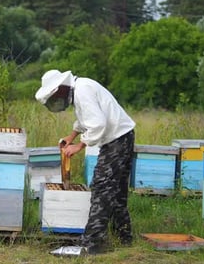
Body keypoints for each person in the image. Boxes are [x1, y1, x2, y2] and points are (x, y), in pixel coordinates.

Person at [35, 69, 136, 255]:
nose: (56, 100)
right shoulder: (80, 88)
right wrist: (72, 136)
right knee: (117, 192)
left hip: (117, 140)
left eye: (54, 96)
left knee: (102, 186)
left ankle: (93, 242)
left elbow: (97, 124)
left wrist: (79, 146)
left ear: (61, 88)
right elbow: (85, 120)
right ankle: (124, 237)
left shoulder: (83, 91)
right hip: (121, 137)